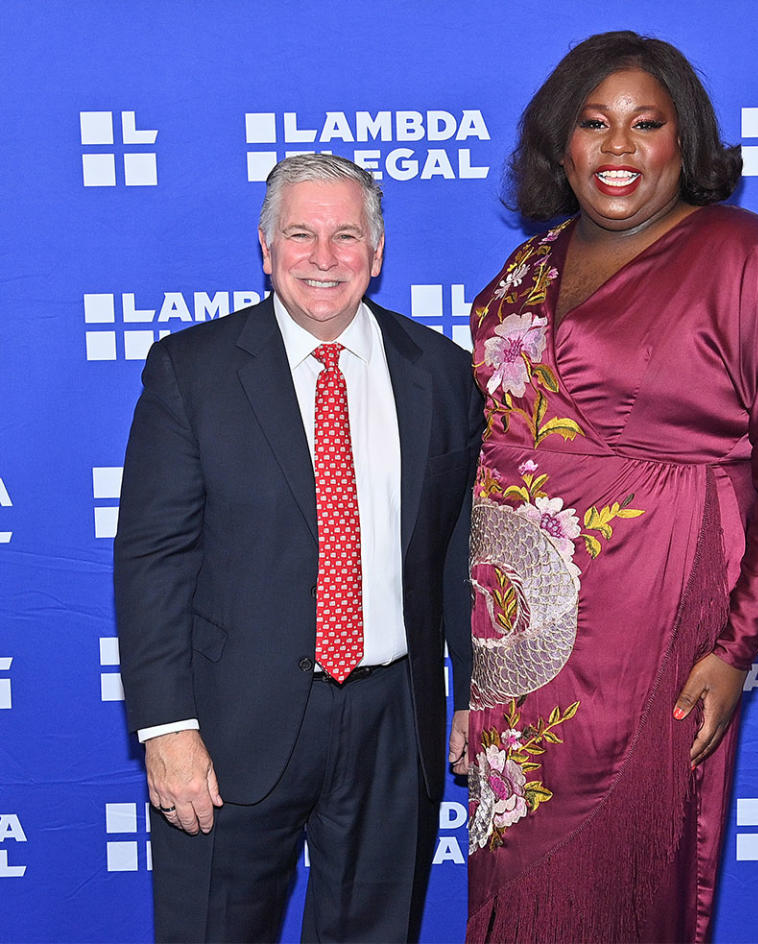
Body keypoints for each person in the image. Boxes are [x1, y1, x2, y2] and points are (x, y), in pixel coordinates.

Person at [463, 32, 758, 943]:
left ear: (686, 141)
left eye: (647, 123)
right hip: (516, 638)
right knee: (512, 864)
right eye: (595, 124)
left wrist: (737, 643)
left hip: (661, 617)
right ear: (562, 145)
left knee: (626, 870)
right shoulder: (529, 266)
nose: (620, 147)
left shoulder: (743, 256)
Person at [114, 153, 483, 943]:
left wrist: (478, 692)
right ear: (265, 245)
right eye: (301, 234)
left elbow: (459, 551)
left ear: (377, 253)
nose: (324, 258)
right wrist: (166, 728)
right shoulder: (193, 372)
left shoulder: (446, 376)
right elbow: (154, 562)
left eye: (346, 236)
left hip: (394, 725)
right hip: (228, 728)